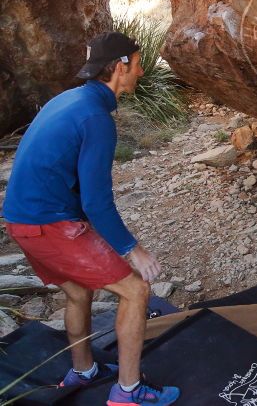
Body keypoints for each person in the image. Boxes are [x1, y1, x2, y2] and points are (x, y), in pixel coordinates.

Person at [1, 33, 180, 405]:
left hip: (21, 219)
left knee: (79, 289)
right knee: (136, 290)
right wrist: (133, 250)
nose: (142, 70)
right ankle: (128, 393)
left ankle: (83, 371)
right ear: (120, 67)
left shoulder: (71, 99)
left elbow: (70, 180)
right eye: (138, 62)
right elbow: (98, 202)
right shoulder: (96, 118)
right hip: (47, 222)